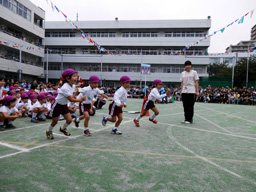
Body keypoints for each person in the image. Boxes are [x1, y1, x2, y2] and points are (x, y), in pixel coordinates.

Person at [46, 69, 86, 140]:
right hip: (57, 105)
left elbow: (73, 93)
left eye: (76, 76)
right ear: (68, 78)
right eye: (74, 76)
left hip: (64, 105)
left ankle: (63, 129)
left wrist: (78, 86)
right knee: (55, 121)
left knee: (69, 120)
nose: (76, 78)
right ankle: (49, 131)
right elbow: (71, 99)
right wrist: (80, 99)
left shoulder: (72, 85)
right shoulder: (65, 87)